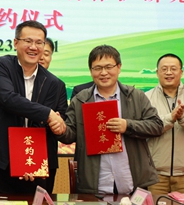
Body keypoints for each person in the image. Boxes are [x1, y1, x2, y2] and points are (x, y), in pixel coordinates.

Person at [56, 45, 163, 195]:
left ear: (119, 67)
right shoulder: (80, 100)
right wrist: (60, 129)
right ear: (91, 71)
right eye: (97, 68)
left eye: (108, 67)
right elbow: (70, 135)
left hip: (131, 181)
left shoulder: (135, 96)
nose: (103, 73)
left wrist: (127, 125)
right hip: (94, 184)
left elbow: (157, 126)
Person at [0, 20, 68, 194]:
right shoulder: (1, 66)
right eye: (28, 41)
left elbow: (58, 121)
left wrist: (30, 160)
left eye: (39, 42)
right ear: (15, 43)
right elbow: (8, 99)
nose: (33, 47)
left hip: (37, 165)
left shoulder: (54, 83)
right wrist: (48, 114)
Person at [145, 53, 184, 196]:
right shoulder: (146, 97)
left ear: (181, 72)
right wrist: (170, 118)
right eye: (164, 69)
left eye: (173, 69)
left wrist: (183, 117)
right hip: (155, 174)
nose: (169, 72)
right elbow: (145, 127)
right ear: (157, 73)